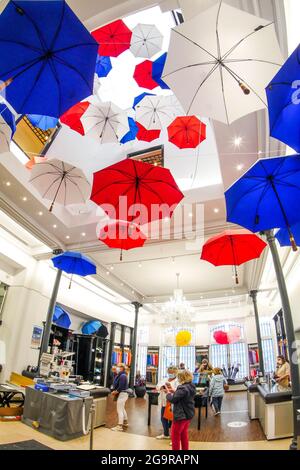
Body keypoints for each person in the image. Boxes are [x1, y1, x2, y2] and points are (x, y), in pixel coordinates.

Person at [165, 369, 196, 451]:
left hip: (180, 416)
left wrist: (168, 393)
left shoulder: (182, 388)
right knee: (184, 435)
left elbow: (173, 399)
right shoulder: (191, 386)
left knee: (175, 437)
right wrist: (175, 391)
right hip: (188, 414)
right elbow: (184, 396)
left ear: (182, 378)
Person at [156, 366, 178, 440]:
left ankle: (174, 438)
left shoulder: (177, 381)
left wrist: (169, 390)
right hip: (164, 402)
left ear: (175, 373)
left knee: (173, 420)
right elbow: (157, 386)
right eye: (169, 372)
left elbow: (178, 391)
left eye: (172, 373)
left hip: (172, 402)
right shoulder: (165, 379)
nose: (170, 374)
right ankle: (166, 434)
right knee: (163, 418)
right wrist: (161, 387)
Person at [111, 363, 130, 432]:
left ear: (122, 368)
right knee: (122, 408)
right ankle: (125, 422)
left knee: (119, 410)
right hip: (123, 394)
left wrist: (115, 392)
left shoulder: (122, 376)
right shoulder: (121, 375)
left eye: (118, 366)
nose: (116, 367)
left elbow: (121, 387)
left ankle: (119, 426)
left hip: (122, 394)